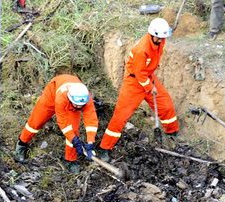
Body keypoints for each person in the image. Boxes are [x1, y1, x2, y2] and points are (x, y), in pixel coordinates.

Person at [99, 18, 181, 162]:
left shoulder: (160, 40)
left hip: (149, 77)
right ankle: (105, 148)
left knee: (165, 103)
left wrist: (151, 83)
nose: (162, 40)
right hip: (134, 83)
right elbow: (139, 73)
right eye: (159, 37)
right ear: (152, 34)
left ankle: (172, 132)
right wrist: (150, 87)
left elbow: (147, 69)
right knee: (121, 116)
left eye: (163, 37)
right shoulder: (141, 49)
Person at [14, 74, 98, 174]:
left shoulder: (85, 98)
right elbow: (62, 121)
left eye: (81, 106)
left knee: (74, 130)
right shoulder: (61, 98)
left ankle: (71, 160)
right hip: (52, 93)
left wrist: (90, 143)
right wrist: (74, 140)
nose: (79, 108)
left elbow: (91, 120)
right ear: (70, 99)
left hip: (71, 99)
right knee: (36, 121)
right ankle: (21, 144)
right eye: (77, 105)